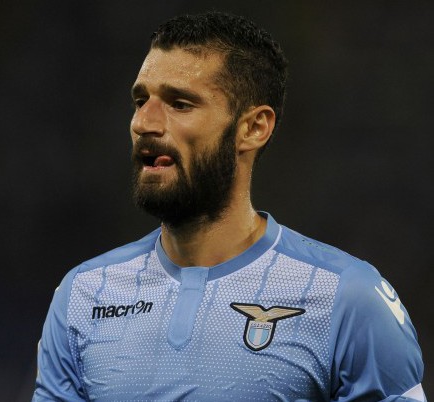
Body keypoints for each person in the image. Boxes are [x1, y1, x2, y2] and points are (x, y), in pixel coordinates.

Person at [32, 11, 426, 402]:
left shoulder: (346, 296)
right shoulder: (83, 294)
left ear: (253, 128)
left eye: (180, 103)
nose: (144, 123)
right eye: (140, 100)